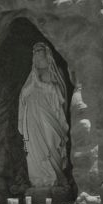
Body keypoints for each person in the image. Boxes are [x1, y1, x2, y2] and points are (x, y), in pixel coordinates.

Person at [18, 42, 69, 188]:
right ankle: (39, 181)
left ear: (47, 56)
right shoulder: (32, 76)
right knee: (34, 149)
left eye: (40, 53)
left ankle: (56, 179)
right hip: (32, 117)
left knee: (52, 143)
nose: (37, 57)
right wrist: (32, 85)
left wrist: (40, 85)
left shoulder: (55, 73)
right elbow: (23, 96)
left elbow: (60, 96)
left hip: (49, 114)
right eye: (34, 54)